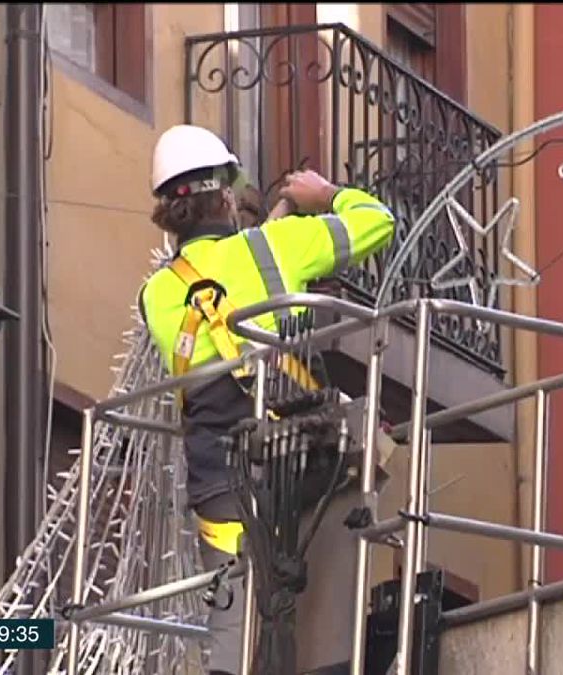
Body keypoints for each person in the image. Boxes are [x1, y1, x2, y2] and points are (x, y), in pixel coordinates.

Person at [138, 124, 395, 675]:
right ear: (225, 196)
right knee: (323, 618)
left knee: (232, 626)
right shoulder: (270, 248)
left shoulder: (156, 294)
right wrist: (325, 195)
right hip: (300, 467)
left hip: (218, 482)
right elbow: (377, 224)